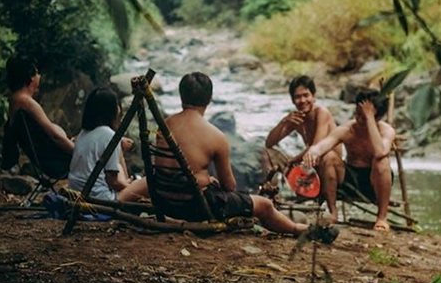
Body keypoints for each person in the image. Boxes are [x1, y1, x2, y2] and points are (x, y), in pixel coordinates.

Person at [135, 72, 312, 236]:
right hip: (193, 207)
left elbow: (170, 171)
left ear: (181, 96)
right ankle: (297, 229)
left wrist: (203, 179)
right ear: (210, 98)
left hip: (163, 200)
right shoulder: (216, 136)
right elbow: (229, 186)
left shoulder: (164, 126)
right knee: (264, 205)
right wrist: (209, 181)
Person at [302, 89, 397, 231]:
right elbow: (325, 143)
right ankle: (333, 212)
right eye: (357, 113)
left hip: (374, 181)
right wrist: (313, 152)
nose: (359, 119)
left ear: (377, 118)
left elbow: (380, 151)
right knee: (329, 157)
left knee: (382, 161)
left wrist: (369, 117)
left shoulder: (386, 130)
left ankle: (382, 217)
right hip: (349, 178)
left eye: (363, 116)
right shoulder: (347, 129)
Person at [261, 75, 339, 200]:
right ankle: (271, 193)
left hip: (328, 165)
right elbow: (269, 143)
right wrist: (284, 122)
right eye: (297, 97)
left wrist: (295, 159)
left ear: (314, 96)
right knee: (267, 153)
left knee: (324, 156)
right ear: (292, 100)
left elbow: (317, 147)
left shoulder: (321, 113)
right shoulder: (297, 117)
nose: (302, 100)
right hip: (308, 162)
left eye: (306, 95)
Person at [3, 55, 73, 174]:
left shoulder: (15, 100)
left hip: (46, 161)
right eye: (37, 72)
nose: (39, 76)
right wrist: (77, 151)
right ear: (30, 76)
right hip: (58, 163)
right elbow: (55, 136)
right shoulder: (26, 102)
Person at [67, 87, 137, 201]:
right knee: (146, 184)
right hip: (100, 199)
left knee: (117, 151)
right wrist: (130, 188)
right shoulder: (108, 135)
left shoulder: (83, 133)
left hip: (76, 193)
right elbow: (113, 182)